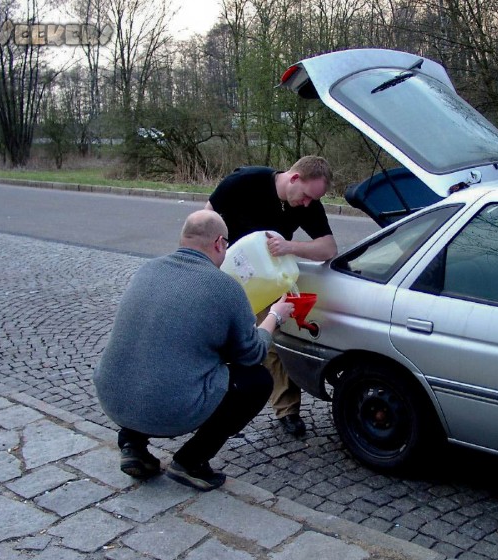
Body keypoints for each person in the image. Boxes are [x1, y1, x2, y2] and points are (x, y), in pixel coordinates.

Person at [93, 210, 295, 491]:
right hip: (168, 410)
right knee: (257, 380)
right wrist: (276, 316)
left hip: (112, 397)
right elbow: (252, 354)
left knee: (155, 355)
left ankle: (132, 444)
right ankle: (191, 462)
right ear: (219, 244)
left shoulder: (147, 269)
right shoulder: (225, 286)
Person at [205, 156, 338, 436]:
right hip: (226, 275)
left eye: (312, 200)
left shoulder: (308, 203)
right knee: (216, 342)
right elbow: (204, 220)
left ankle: (287, 411)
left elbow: (328, 248)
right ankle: (211, 406)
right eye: (304, 196)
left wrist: (289, 246)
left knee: (274, 343)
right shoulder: (244, 182)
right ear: (294, 178)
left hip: (266, 281)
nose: (306, 204)